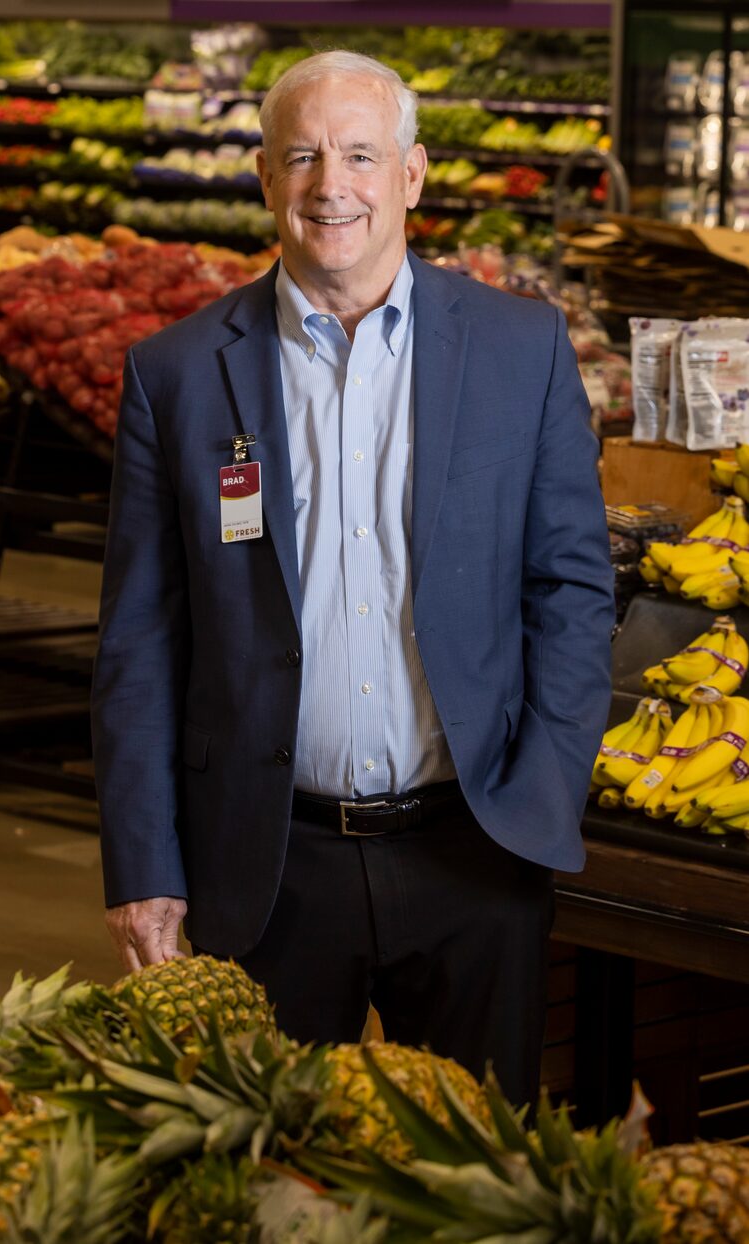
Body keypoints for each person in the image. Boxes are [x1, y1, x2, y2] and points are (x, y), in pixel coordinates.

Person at [91, 50, 615, 1108]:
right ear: (262, 177)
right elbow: (139, 639)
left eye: (361, 155)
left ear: (412, 176)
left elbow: (569, 585)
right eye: (302, 156)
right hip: (264, 865)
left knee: (473, 1189)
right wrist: (143, 859)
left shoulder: (521, 348)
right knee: (268, 1188)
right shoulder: (179, 373)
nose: (332, 185)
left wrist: (544, 783)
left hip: (475, 849)